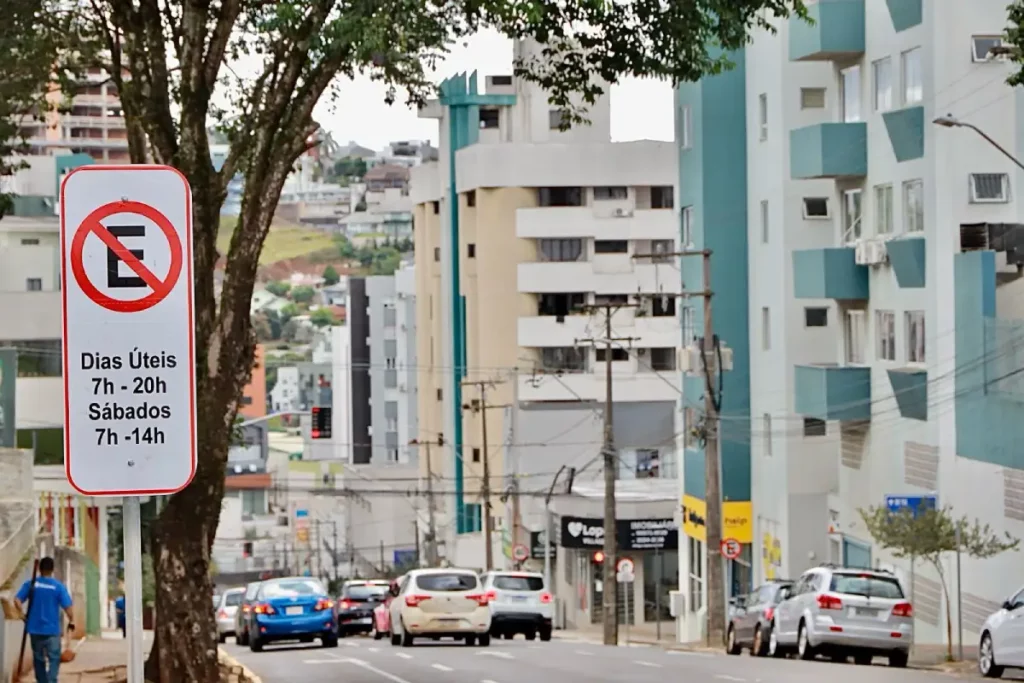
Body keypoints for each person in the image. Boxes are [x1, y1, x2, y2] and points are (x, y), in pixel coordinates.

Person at [13, 557, 74, 683]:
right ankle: (51, 680)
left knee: (38, 658)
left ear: (40, 569)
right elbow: (68, 607)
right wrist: (71, 619)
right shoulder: (58, 587)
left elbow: (17, 600)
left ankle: (42, 681)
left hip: (34, 628)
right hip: (52, 630)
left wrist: (22, 615)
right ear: (52, 570)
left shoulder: (31, 584)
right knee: (54, 658)